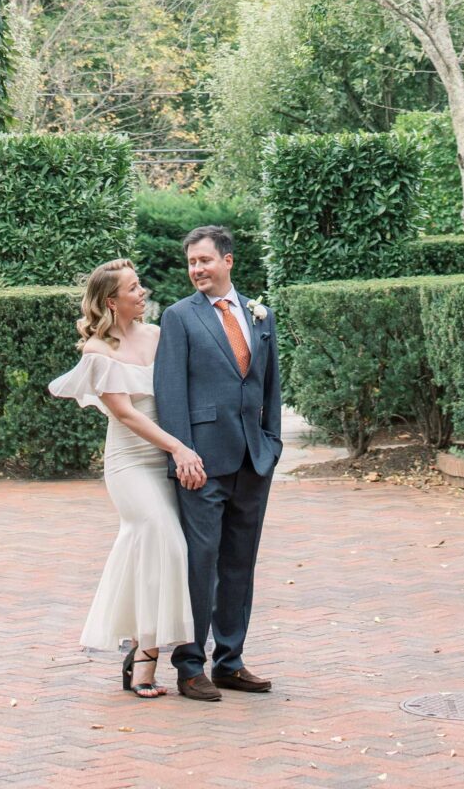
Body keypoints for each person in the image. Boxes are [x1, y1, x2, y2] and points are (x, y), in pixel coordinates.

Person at [48, 257, 206, 698]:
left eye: (140, 286)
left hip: (167, 461)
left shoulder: (159, 337)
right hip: (131, 463)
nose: (143, 293)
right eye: (133, 289)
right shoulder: (98, 352)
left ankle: (140, 649)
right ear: (111, 301)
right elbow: (126, 413)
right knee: (164, 538)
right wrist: (178, 448)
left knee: (152, 551)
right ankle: (146, 658)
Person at [151, 223, 281, 703]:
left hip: (254, 458)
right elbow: (170, 391)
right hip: (201, 463)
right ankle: (189, 666)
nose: (196, 269)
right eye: (191, 263)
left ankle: (231, 661)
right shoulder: (179, 317)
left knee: (239, 564)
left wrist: (272, 442)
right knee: (199, 565)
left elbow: (270, 386)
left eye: (204, 260)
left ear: (228, 260)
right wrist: (181, 453)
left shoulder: (259, 314)